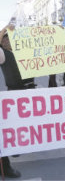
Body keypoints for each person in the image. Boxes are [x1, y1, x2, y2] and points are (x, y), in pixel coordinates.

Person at [0, 25, 36, 178]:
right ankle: (7, 162)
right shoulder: (3, 54)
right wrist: (3, 31)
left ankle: (16, 147)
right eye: (6, 38)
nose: (9, 40)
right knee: (12, 125)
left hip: (27, 91)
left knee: (24, 124)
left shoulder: (22, 52)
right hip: (13, 94)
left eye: (10, 37)